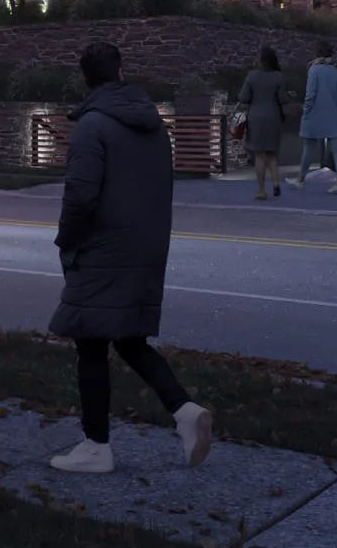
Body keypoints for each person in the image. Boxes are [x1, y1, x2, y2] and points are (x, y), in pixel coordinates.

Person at [46, 40, 213, 475]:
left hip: (104, 248)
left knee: (90, 341)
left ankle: (95, 446)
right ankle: (184, 411)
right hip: (146, 245)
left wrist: (67, 241)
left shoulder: (92, 126)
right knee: (128, 337)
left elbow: (80, 195)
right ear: (120, 73)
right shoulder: (153, 125)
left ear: (86, 79)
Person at [292, 40, 337, 195]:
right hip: (332, 113)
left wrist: (306, 111)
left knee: (308, 147)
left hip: (314, 113)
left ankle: (301, 179)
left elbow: (310, 95)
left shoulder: (314, 71)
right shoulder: (335, 72)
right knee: (335, 149)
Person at [237, 45, 288, 200]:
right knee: (272, 153)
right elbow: (283, 99)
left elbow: (243, 97)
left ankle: (261, 190)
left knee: (259, 155)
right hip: (273, 117)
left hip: (256, 118)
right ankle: (276, 182)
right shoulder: (278, 77)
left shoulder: (252, 76)